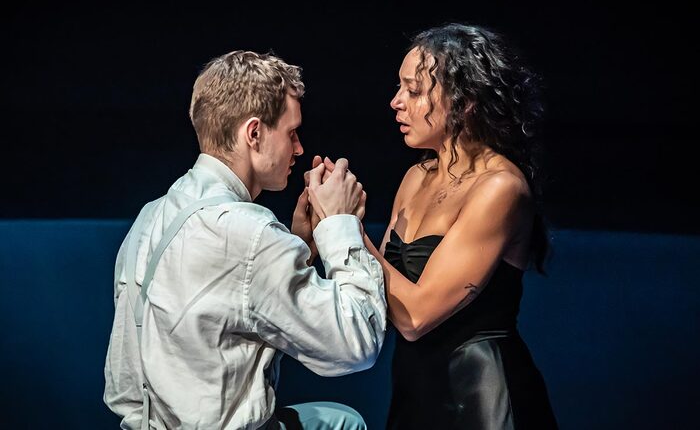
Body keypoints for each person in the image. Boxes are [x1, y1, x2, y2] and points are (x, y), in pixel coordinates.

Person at [103, 50, 386, 430]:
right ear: (253, 133)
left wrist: (296, 243)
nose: (299, 148)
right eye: (291, 133)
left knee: (337, 422)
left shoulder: (152, 214)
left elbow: (228, 299)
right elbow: (356, 345)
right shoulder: (247, 233)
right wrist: (340, 223)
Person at [356, 23, 556, 428]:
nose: (396, 102)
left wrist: (345, 228)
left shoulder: (500, 188)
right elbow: (377, 290)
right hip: (414, 394)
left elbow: (415, 316)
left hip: (481, 399)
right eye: (399, 88)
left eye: (413, 91)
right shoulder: (416, 176)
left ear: (463, 103)